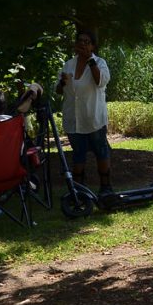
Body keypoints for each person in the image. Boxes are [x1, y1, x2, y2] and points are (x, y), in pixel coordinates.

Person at [56, 29, 112, 193]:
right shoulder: (68, 65)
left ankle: (106, 188)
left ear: (93, 46)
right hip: (74, 119)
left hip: (93, 119)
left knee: (101, 152)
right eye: (79, 41)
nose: (82, 44)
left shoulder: (99, 63)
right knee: (78, 154)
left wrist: (91, 62)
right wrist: (62, 83)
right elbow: (58, 90)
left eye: (86, 42)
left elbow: (101, 81)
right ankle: (79, 190)